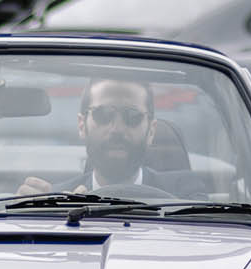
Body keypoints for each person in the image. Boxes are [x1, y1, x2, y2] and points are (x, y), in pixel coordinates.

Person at [19, 76, 210, 198]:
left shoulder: (186, 195)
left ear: (151, 131)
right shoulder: (52, 200)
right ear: (81, 125)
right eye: (103, 115)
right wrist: (27, 215)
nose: (116, 129)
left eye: (132, 117)